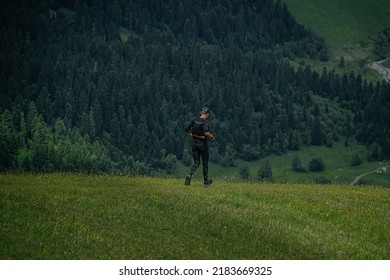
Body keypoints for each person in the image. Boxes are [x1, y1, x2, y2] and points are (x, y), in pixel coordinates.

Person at [184, 107, 216, 187]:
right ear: (207, 114)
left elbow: (186, 129)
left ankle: (189, 175)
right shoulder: (205, 122)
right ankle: (206, 182)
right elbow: (206, 132)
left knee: (197, 163)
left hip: (194, 144)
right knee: (205, 163)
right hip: (202, 145)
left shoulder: (194, 120)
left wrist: (193, 131)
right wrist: (212, 137)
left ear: (201, 113)